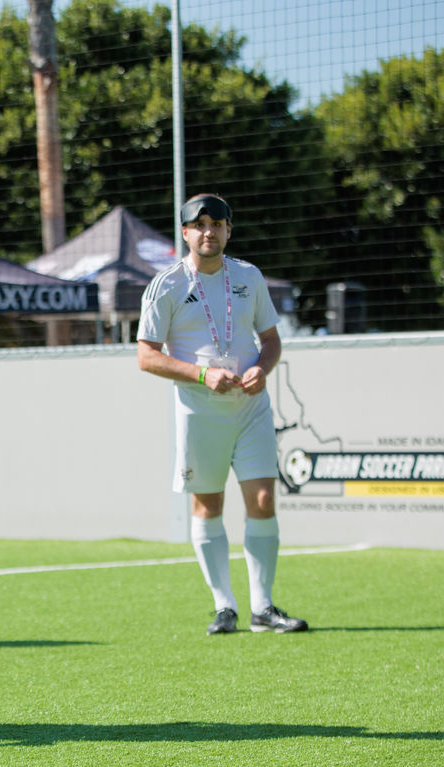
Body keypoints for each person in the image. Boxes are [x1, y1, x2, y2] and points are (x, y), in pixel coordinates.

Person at [136, 193, 307, 636]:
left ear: (229, 230)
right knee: (207, 504)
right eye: (200, 224)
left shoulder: (249, 276)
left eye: (218, 224)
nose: (208, 231)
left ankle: (263, 609)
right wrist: (201, 374)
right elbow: (146, 357)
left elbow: (271, 340)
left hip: (251, 408)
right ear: (185, 233)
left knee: (264, 500)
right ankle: (224, 606)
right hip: (200, 412)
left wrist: (261, 369)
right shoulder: (167, 285)